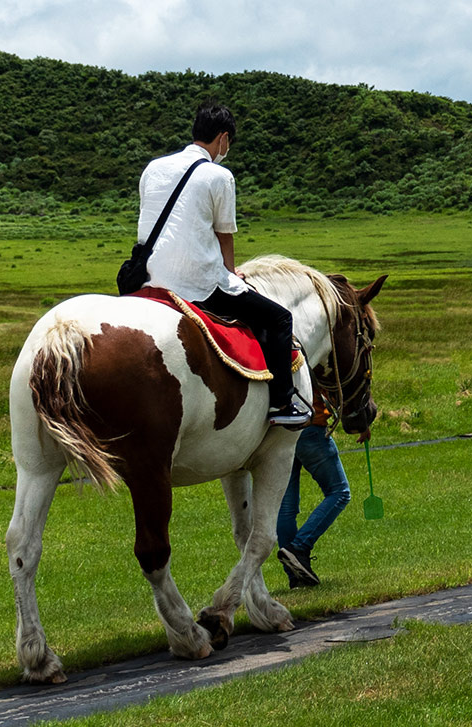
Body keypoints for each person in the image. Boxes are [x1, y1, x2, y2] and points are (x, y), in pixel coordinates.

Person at [138, 102, 310, 428]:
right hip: (196, 283)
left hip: (149, 278)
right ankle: (282, 404)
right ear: (223, 139)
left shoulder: (153, 168)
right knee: (279, 319)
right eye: (228, 143)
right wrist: (232, 274)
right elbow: (224, 235)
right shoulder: (220, 176)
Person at [276, 395, 353, 587]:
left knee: (286, 509)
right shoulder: (313, 363)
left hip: (282, 433)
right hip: (311, 427)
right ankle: (299, 548)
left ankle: (296, 577)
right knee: (340, 492)